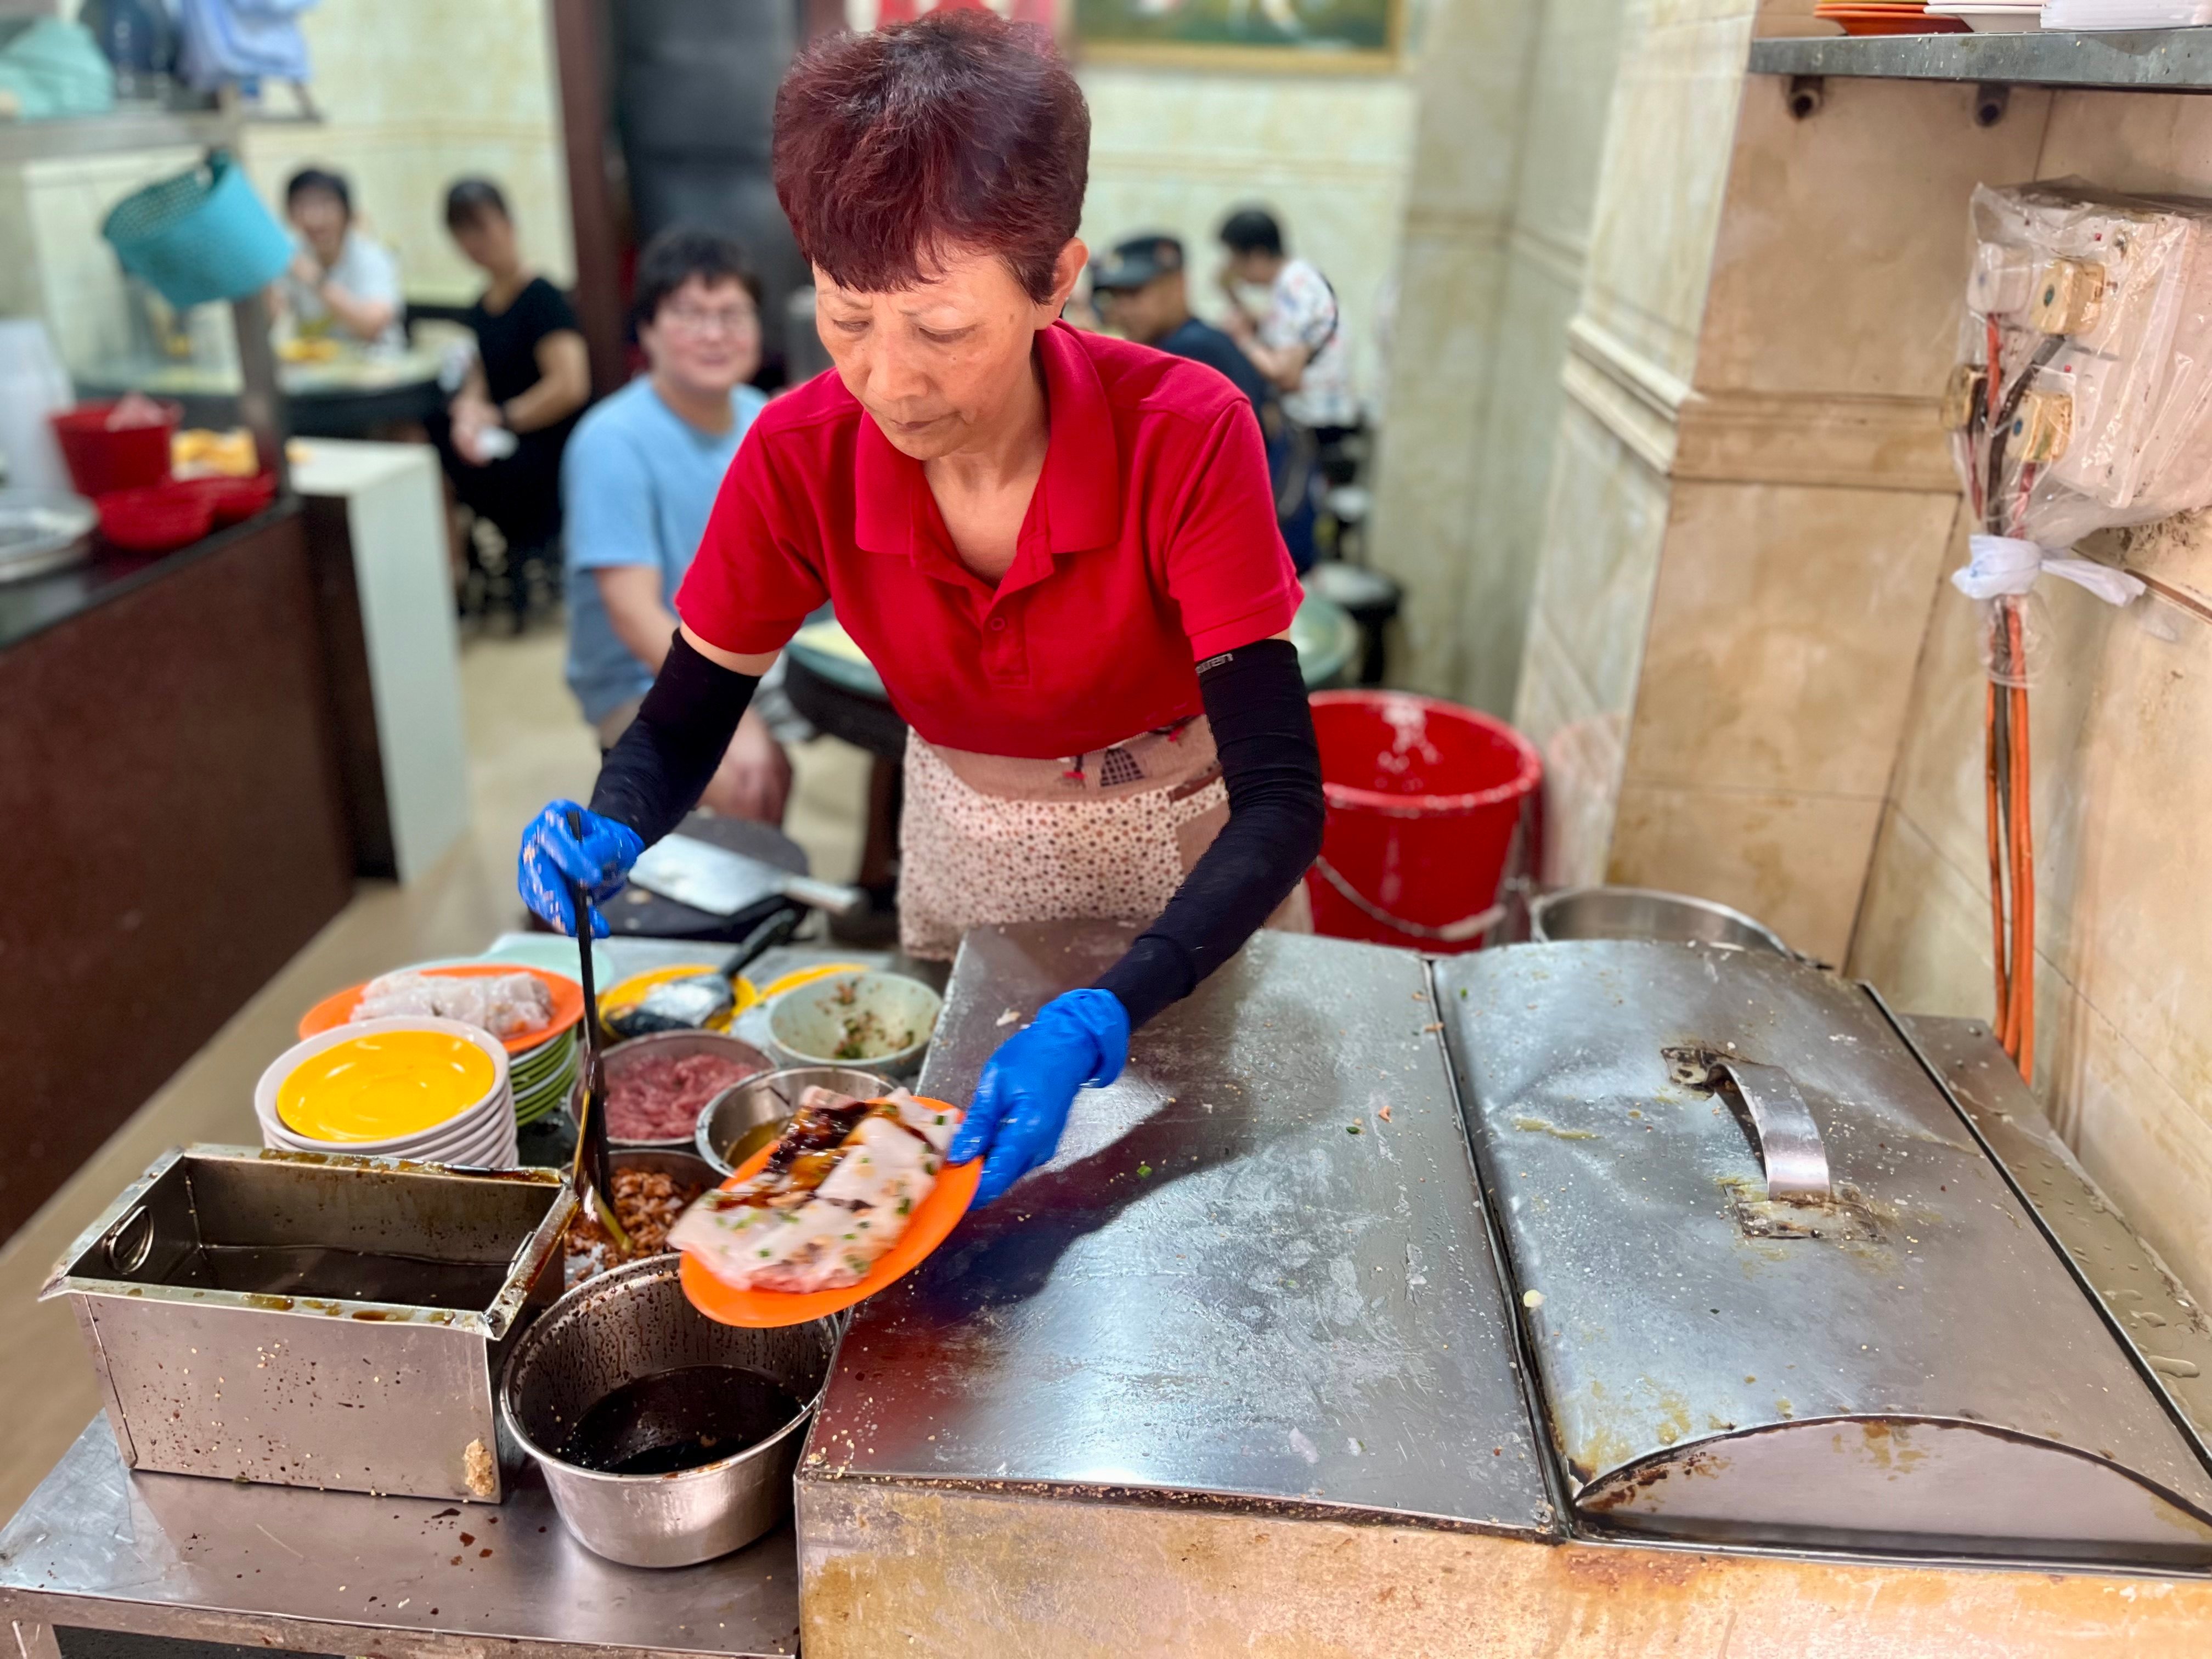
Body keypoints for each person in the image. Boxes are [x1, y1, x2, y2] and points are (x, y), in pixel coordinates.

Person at [517, 9, 1323, 1206]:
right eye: (846, 319)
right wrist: (621, 813)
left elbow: (1281, 795)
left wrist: (1112, 1005)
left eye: (942, 328)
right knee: (975, 1212)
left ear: (1057, 282)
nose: (887, 379)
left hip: (1188, 866)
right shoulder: (801, 454)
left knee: (1213, 1185)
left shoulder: (1186, 431)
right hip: (968, 849)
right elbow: (688, 714)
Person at [558, 225, 793, 825]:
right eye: (691, 314)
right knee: (747, 775)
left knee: (921, 723)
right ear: (647, 330)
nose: (716, 334)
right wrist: (723, 715)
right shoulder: (612, 440)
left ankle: (874, 891)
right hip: (644, 676)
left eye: (733, 314)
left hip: (753, 657)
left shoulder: (764, 421)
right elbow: (635, 616)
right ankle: (738, 912)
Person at [433, 177, 590, 563]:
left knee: (457, 461)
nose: (475, 242)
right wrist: (470, 414)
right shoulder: (482, 304)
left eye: (481, 226)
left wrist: (502, 418)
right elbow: (480, 374)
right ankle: (451, 572)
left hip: (546, 446)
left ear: (508, 223)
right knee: (436, 435)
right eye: (462, 232)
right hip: (504, 436)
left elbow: (570, 386)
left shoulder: (542, 297)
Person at [1217, 206, 1355, 570]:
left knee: (1286, 524)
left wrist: (1241, 339)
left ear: (1257, 255)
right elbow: (1280, 338)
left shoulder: (1297, 287)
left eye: (1236, 259)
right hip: (1307, 421)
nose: (1236, 270)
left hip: (1314, 425)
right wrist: (1235, 302)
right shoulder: (1295, 281)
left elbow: (1286, 373)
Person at [1088, 232, 1275, 430]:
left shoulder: (1190, 349)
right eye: (1114, 296)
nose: (1121, 309)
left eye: (1134, 292)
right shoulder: (1195, 338)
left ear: (1178, 285)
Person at [274, 167, 403, 351]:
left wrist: (315, 279)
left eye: (326, 204)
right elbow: (272, 316)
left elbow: (371, 327)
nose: (314, 218)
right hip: (318, 372)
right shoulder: (294, 256)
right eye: (302, 206)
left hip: (378, 369)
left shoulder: (372, 257)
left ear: (348, 213)